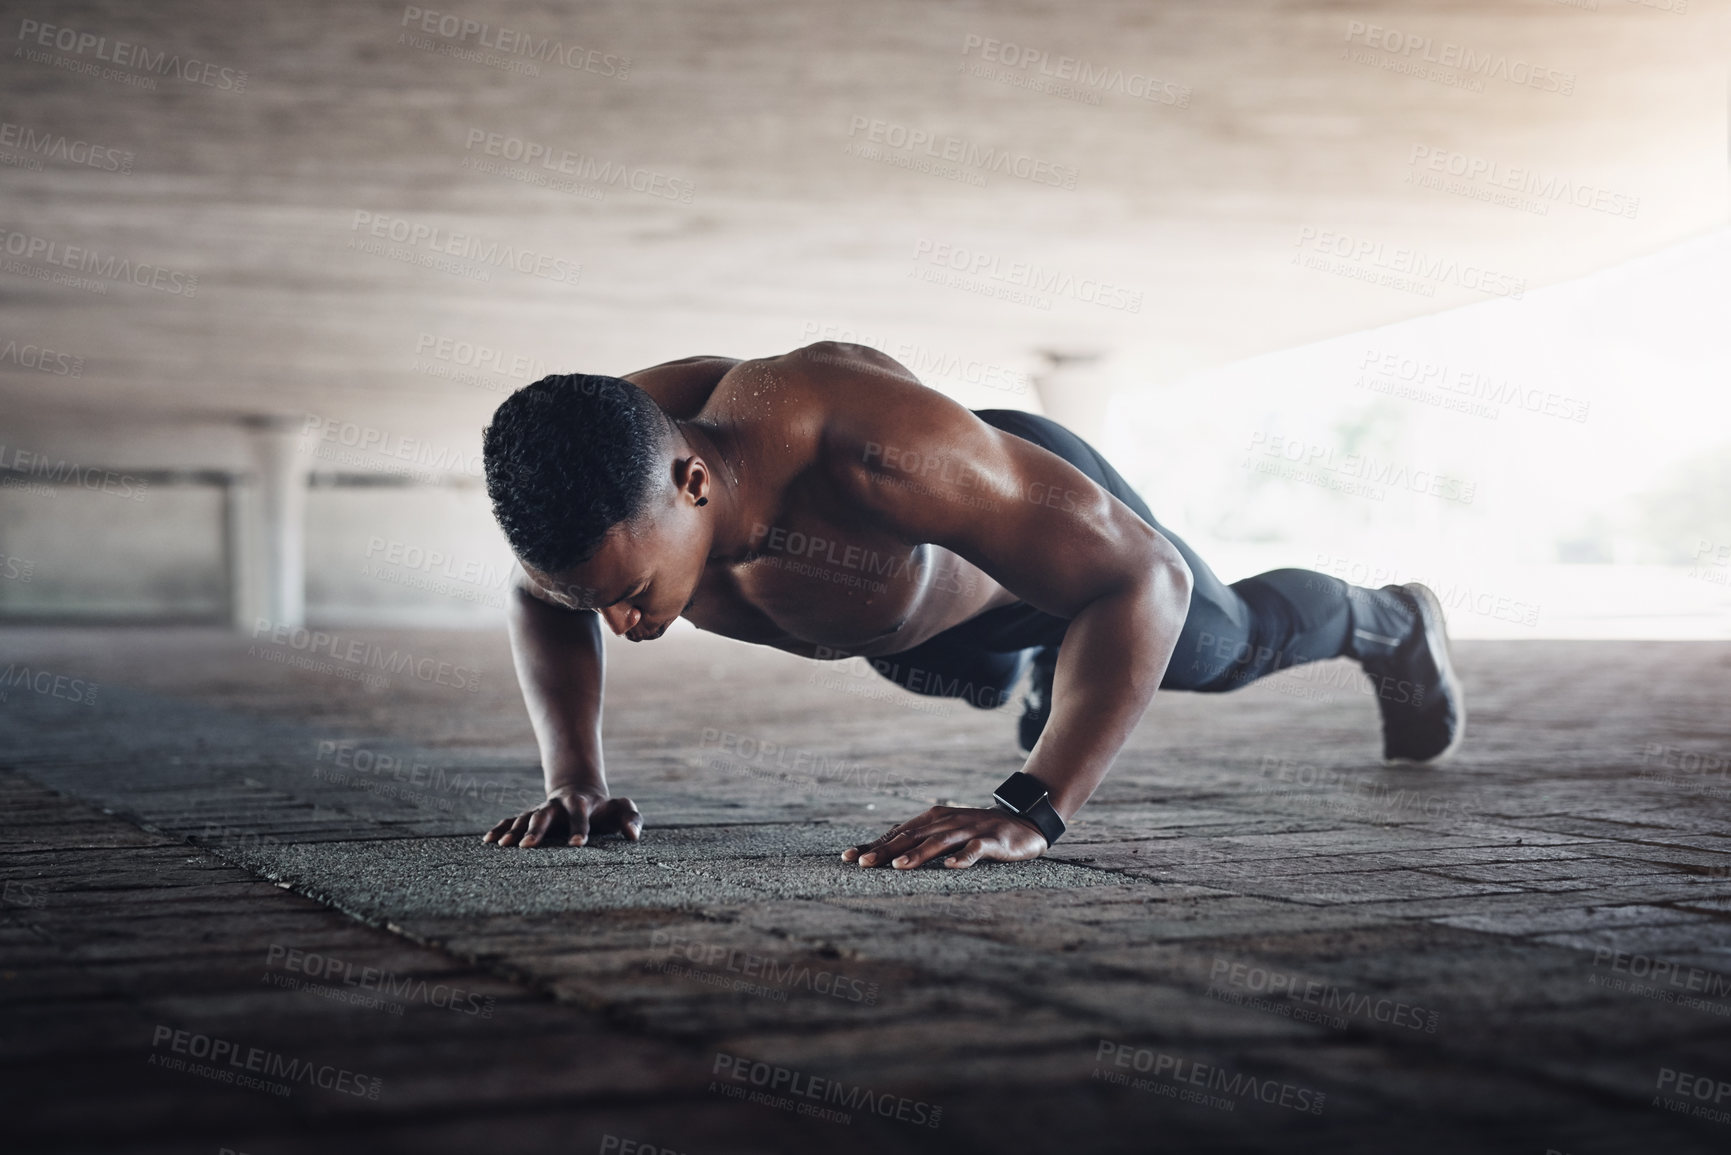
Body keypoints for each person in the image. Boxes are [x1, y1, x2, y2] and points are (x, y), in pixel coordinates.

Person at [479, 342, 1463, 868]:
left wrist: (1029, 811)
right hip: (927, 639)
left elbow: (1143, 580)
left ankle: (1395, 621)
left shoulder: (870, 449)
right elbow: (545, 601)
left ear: (695, 484)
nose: (626, 627)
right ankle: (1044, 676)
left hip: (1034, 539)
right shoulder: (602, 477)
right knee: (978, 678)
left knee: (1216, 648)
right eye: (600, 603)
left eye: (634, 597)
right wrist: (576, 781)